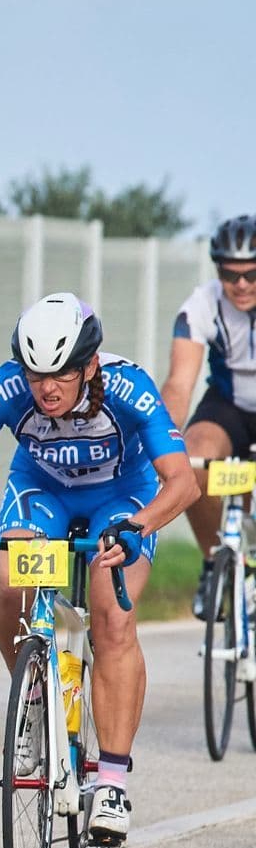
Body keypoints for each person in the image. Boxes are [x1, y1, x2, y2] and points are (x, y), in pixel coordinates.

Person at [0, 293, 195, 843]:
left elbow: (183, 482)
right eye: (36, 374)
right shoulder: (8, 387)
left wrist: (139, 525)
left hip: (122, 496)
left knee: (112, 613)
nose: (46, 388)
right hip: (42, 490)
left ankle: (112, 782)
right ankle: (34, 698)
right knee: (14, 592)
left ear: (89, 366)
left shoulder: (128, 386)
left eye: (62, 374)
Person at [160, 214, 256, 617]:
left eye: (251, 274)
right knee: (192, 459)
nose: (241, 284)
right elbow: (179, 384)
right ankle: (214, 561)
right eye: (230, 274)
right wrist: (162, 444)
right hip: (227, 405)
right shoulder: (202, 304)